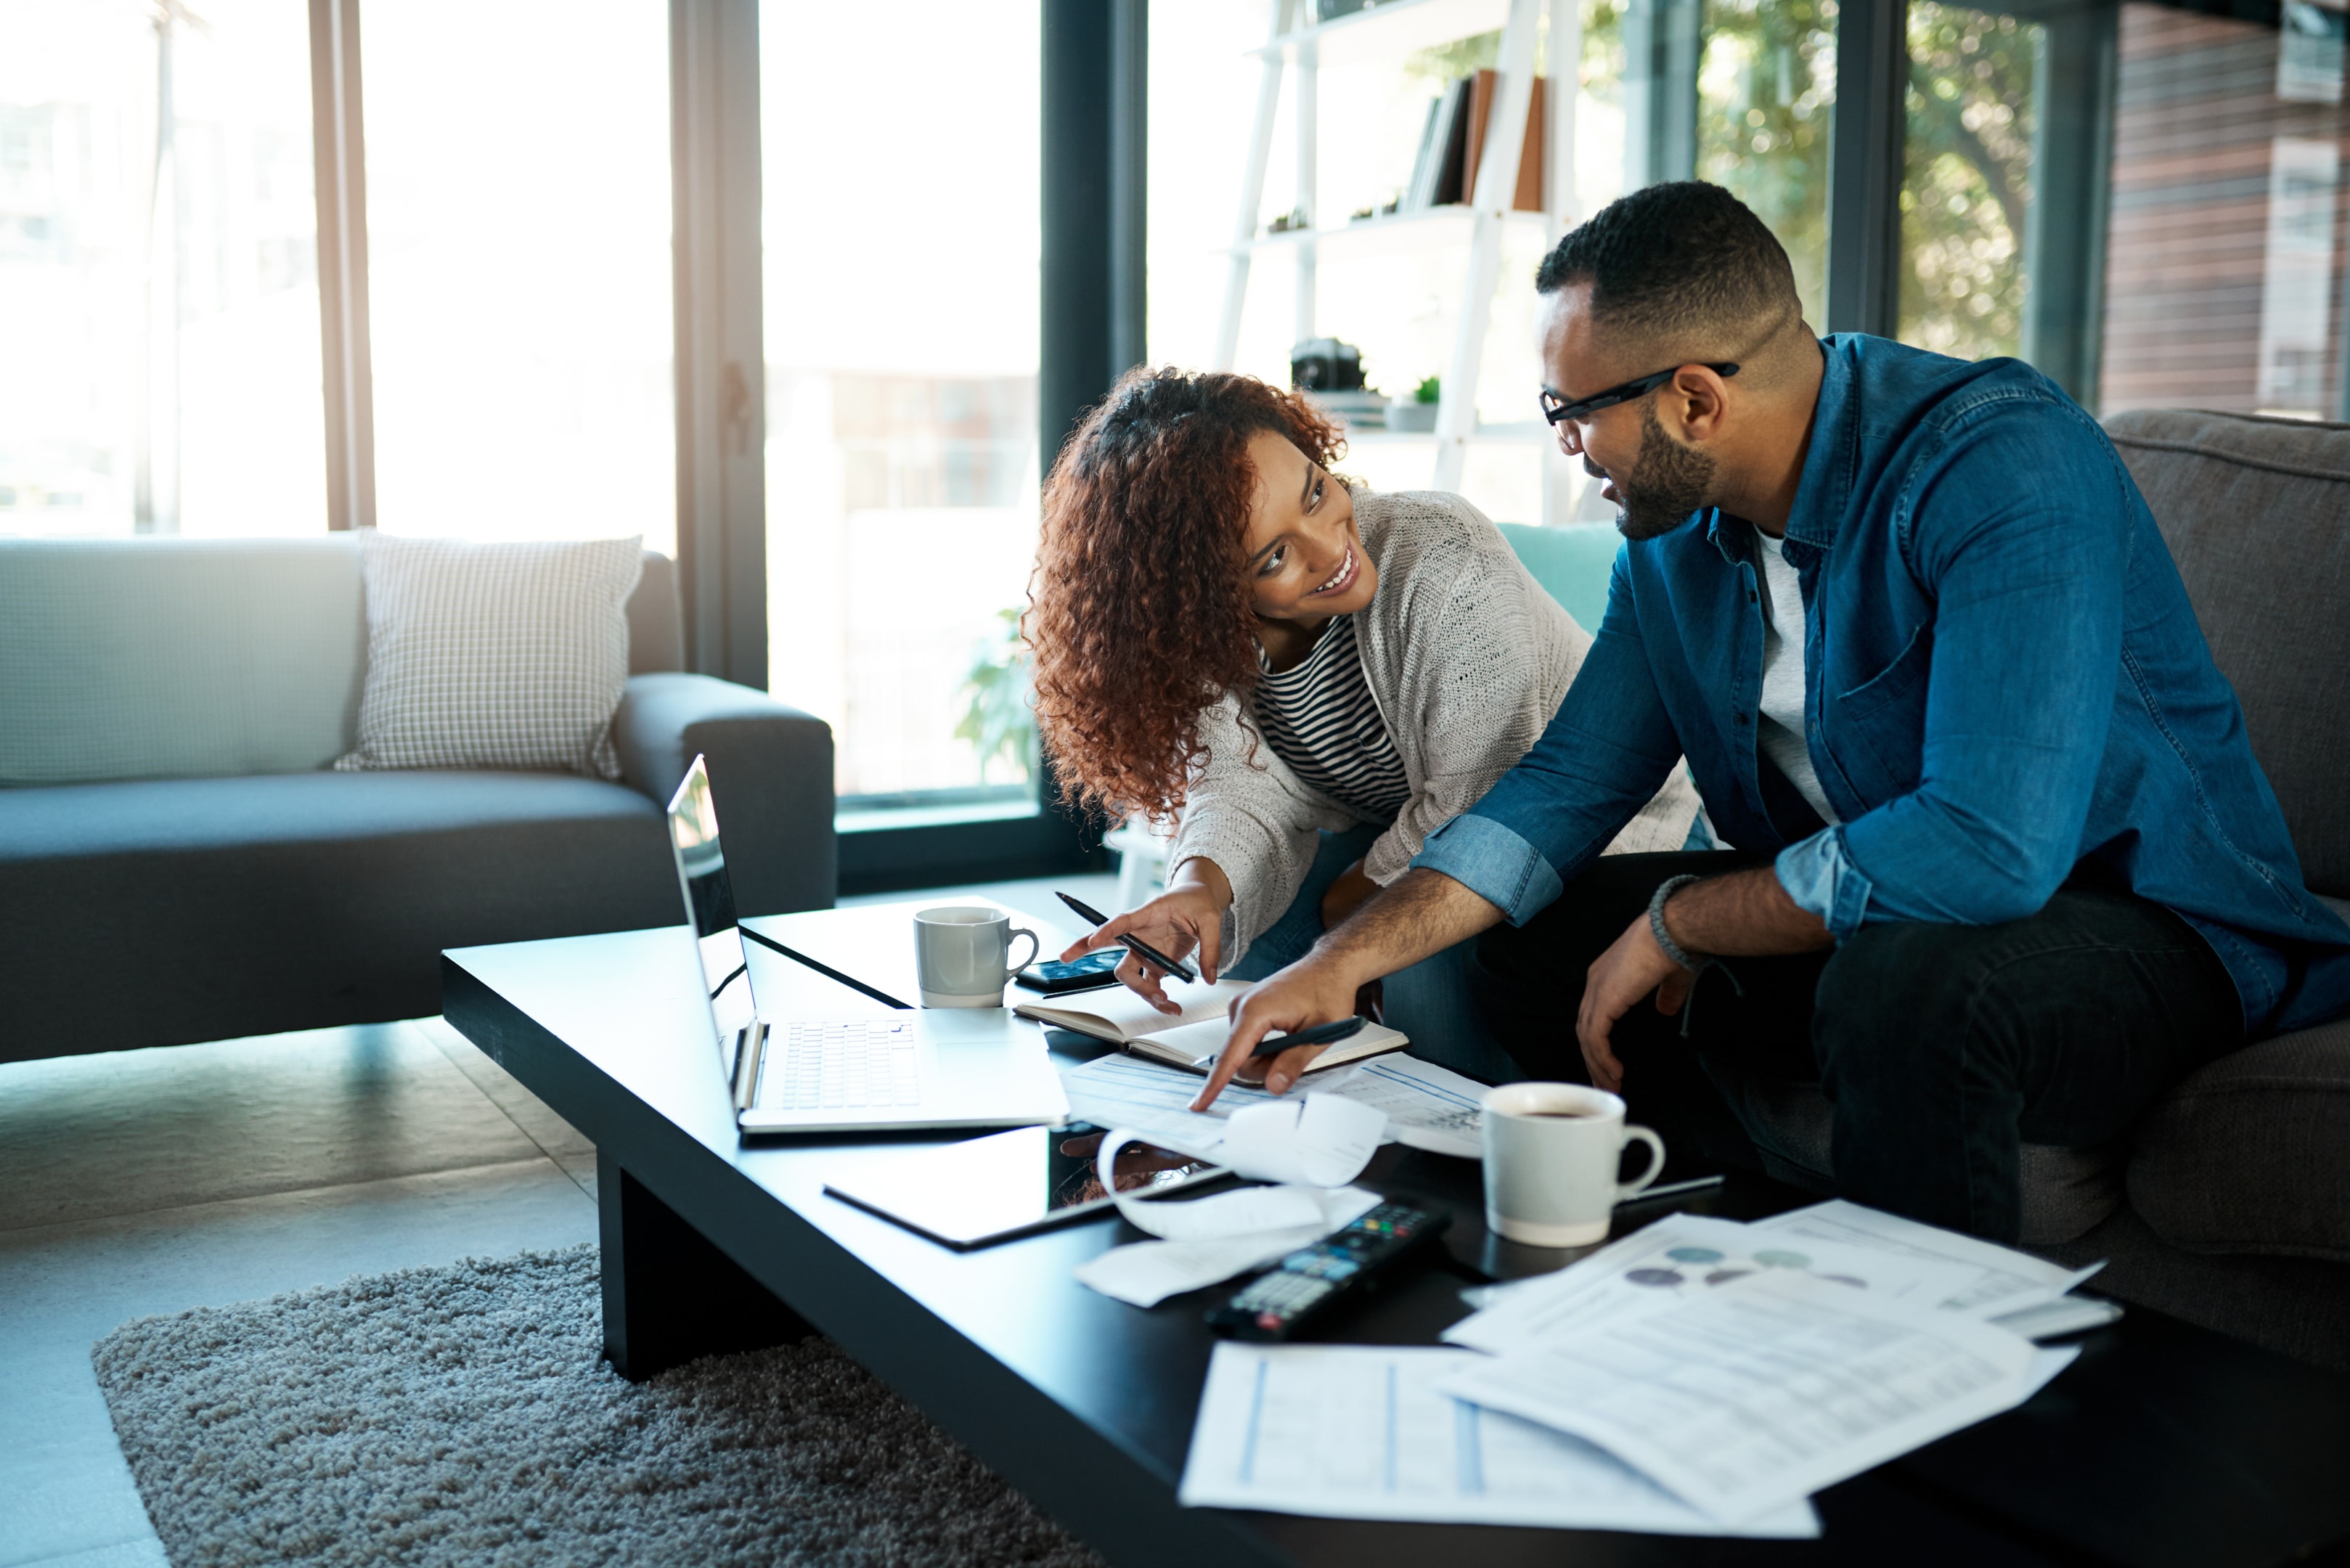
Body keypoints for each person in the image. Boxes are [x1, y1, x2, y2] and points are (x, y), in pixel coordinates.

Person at [1199, 181, 2350, 1244]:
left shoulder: (2000, 462)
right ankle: (1681, 1243)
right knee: (1538, 937)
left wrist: (1684, 925)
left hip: (2147, 930)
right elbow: (1562, 789)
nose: (1563, 444)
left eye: (1569, 410)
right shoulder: (1672, 547)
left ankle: (1911, 1385)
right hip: (1886, 924)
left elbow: (1989, 849)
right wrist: (1341, 961)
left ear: (1694, 399)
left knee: (1905, 989)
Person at [1028, 367, 1697, 1085]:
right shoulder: (1212, 644)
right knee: (1250, 940)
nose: (1328, 548)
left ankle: (1448, 1133)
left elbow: (1484, 809)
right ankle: (1272, 1112)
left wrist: (1346, 918)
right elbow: (1240, 792)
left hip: (1583, 831)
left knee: (1413, 957)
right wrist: (1196, 891)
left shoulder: (1442, 559)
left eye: (1316, 493)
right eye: (1276, 557)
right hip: (1404, 829)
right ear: (1207, 601)